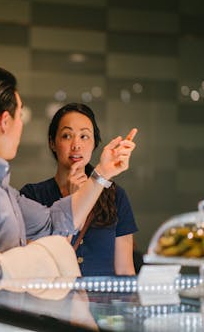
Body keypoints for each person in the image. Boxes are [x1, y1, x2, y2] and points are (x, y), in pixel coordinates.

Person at [0, 66, 137, 282]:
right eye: (20, 115)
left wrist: (103, 172)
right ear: (4, 121)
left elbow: (52, 223)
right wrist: (38, 262)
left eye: (84, 137)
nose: (21, 125)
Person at [20, 103, 138, 276]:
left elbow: (125, 271)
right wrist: (75, 202)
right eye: (67, 136)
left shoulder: (115, 195)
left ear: (94, 144)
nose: (76, 145)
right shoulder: (32, 196)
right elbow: (33, 266)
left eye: (84, 136)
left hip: (102, 302)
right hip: (52, 302)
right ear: (52, 143)